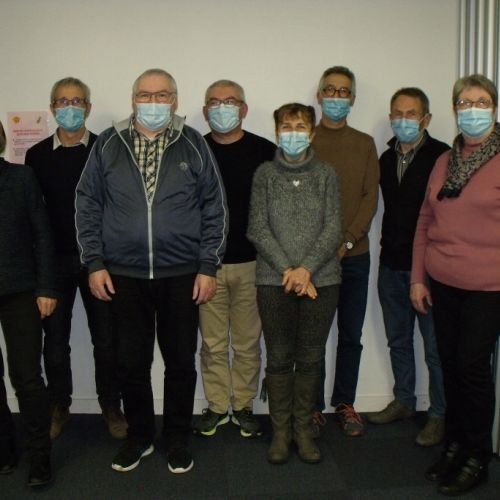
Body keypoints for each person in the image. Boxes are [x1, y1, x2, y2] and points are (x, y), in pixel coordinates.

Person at [75, 68, 227, 475]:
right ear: (133, 99)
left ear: (174, 100)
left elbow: (214, 207)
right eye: (145, 94)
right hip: (124, 275)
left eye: (162, 95)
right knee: (131, 362)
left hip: (182, 274)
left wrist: (207, 266)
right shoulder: (109, 143)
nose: (153, 102)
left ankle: (177, 438)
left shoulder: (193, 143)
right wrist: (95, 263)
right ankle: (139, 436)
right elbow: (87, 203)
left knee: (180, 362)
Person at [411, 74, 500, 496]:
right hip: (442, 282)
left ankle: (477, 456)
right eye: (465, 103)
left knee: (471, 370)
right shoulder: (445, 161)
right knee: (449, 365)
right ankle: (455, 444)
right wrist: (417, 277)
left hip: (488, 288)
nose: (472, 110)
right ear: (454, 109)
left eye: (481, 102)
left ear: (494, 109)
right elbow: (425, 220)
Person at [25, 77, 126, 440]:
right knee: (54, 345)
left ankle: (111, 406)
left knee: (107, 342)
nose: (70, 108)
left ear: (88, 107)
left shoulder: (106, 149)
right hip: (53, 263)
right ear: (53, 108)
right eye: (63, 102)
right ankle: (59, 405)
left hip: (98, 262)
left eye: (77, 101)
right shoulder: (36, 155)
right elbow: (33, 214)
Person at [247, 103, 342, 464]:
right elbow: (257, 228)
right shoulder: (265, 174)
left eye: (300, 126)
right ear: (276, 132)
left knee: (311, 357)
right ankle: (280, 431)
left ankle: (303, 429)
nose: (293, 133)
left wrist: (306, 271)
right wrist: (290, 270)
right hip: (273, 282)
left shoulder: (327, 174)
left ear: (312, 133)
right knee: (279, 356)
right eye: (286, 127)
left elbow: (333, 228)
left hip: (322, 281)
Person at [366, 88, 449, 447]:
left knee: (434, 348)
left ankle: (439, 415)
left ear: (426, 118)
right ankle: (404, 400)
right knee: (398, 340)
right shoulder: (385, 159)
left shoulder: (442, 156)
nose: (403, 120)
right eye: (397, 113)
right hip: (390, 265)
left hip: (429, 268)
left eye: (411, 113)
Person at [194, 80, 275, 438]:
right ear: (204, 111)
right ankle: (216, 406)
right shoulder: (194, 150)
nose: (222, 108)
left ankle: (242, 405)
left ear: (243, 108)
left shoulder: (266, 151)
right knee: (212, 344)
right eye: (214, 102)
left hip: (253, 264)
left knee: (246, 343)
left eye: (229, 101)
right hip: (207, 267)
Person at [312, 66, 379, 437]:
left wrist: (348, 240)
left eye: (343, 91)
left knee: (351, 335)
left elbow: (370, 198)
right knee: (314, 338)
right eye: (330, 90)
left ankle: (344, 403)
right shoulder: (303, 139)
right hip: (314, 261)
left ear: (352, 98)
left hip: (355, 257)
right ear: (319, 95)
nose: (336, 97)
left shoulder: (365, 143)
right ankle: (311, 407)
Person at [0, 119, 56, 487]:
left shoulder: (21, 178)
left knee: (27, 377)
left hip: (20, 290)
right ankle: (5, 448)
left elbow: (42, 234)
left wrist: (46, 287)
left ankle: (40, 457)